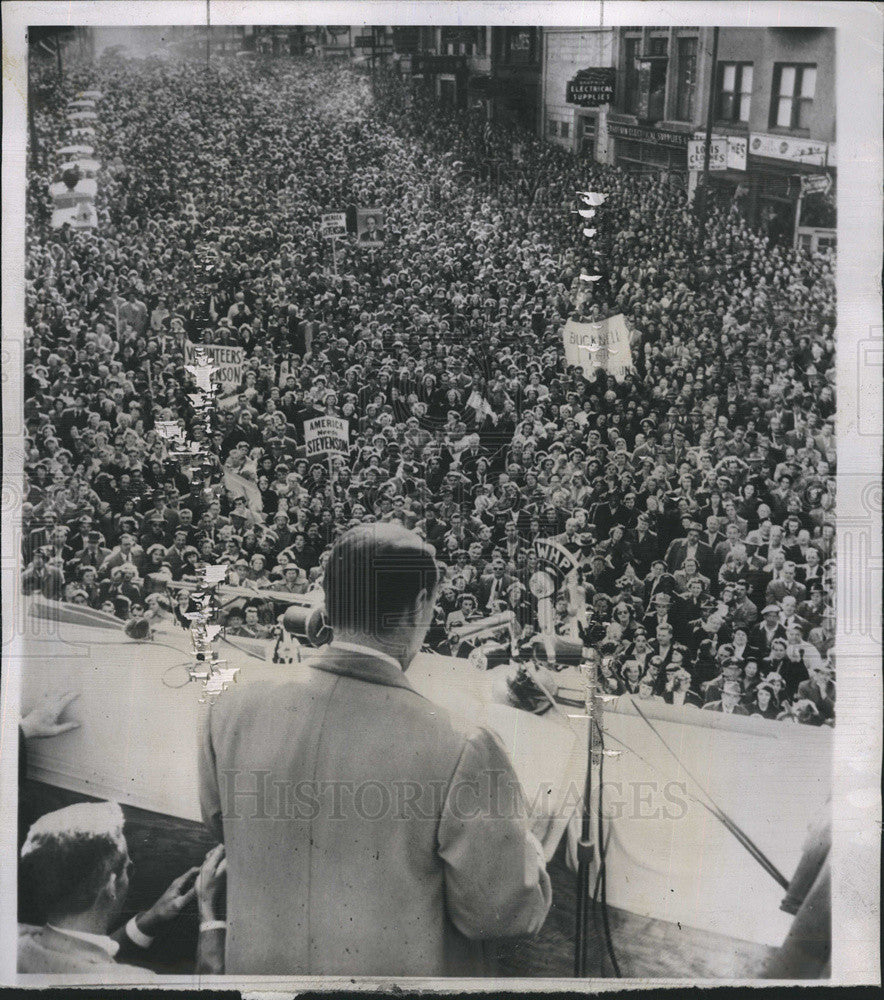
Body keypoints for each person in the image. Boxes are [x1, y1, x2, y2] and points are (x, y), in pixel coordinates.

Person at [198, 523, 551, 976]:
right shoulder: (465, 745)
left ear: (330, 599)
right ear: (421, 605)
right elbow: (501, 913)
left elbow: (220, 825)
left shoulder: (229, 704)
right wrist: (527, 838)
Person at [18, 801, 227, 976]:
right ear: (110, 885)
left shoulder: (17, 941)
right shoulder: (140, 982)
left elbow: (81, 952)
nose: (129, 874)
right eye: (129, 868)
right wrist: (208, 910)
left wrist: (152, 918)